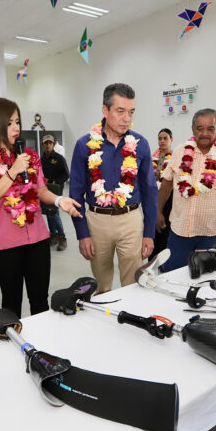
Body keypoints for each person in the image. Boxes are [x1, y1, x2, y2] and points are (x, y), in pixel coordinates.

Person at [0, 97, 82, 316]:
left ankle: (42, 346)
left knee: (40, 300)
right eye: (10, 123)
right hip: (6, 245)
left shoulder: (29, 155)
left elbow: (40, 191)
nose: (16, 128)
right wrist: (13, 171)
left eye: (18, 122)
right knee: (11, 303)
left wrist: (59, 200)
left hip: (38, 239)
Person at [68, 83, 158, 294]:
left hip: (131, 220)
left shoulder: (140, 144)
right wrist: (83, 234)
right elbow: (75, 193)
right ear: (105, 110)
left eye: (131, 112)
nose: (127, 118)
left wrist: (149, 232)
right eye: (120, 111)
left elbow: (150, 190)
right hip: (97, 222)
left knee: (134, 283)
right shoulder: (84, 145)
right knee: (102, 285)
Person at [157, 109, 216, 272]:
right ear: (193, 130)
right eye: (200, 128)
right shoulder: (180, 151)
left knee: (210, 278)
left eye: (210, 128)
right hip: (180, 230)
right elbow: (166, 182)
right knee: (172, 274)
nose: (205, 133)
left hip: (214, 232)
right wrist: (157, 211)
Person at [40, 133, 70, 251]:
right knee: (48, 212)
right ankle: (53, 236)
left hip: (56, 189)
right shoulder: (41, 159)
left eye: (50, 143)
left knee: (55, 213)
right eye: (46, 143)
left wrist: (54, 181)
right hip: (45, 189)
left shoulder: (59, 158)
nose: (48, 145)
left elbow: (66, 174)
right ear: (42, 145)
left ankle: (62, 238)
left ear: (53, 144)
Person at [151, 128, 173, 260]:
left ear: (171, 140)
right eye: (160, 138)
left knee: (164, 228)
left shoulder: (175, 157)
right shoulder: (153, 157)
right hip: (153, 197)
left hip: (168, 199)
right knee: (152, 228)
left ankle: (164, 258)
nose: (162, 141)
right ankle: (152, 258)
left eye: (165, 138)